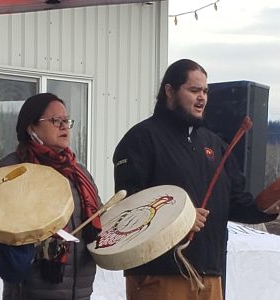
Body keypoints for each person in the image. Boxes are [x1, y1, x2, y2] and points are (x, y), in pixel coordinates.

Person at [113, 59, 278, 300]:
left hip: (210, 273)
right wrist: (178, 221)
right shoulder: (142, 138)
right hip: (160, 274)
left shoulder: (214, 144)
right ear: (169, 91)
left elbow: (235, 203)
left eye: (205, 91)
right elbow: (129, 205)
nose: (202, 98)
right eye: (194, 90)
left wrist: (268, 209)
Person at [0, 93, 102, 299]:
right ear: (31, 127)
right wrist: (22, 248)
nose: (64, 126)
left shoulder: (79, 173)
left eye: (66, 120)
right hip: (30, 291)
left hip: (80, 292)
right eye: (55, 120)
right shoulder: (12, 171)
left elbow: (99, 218)